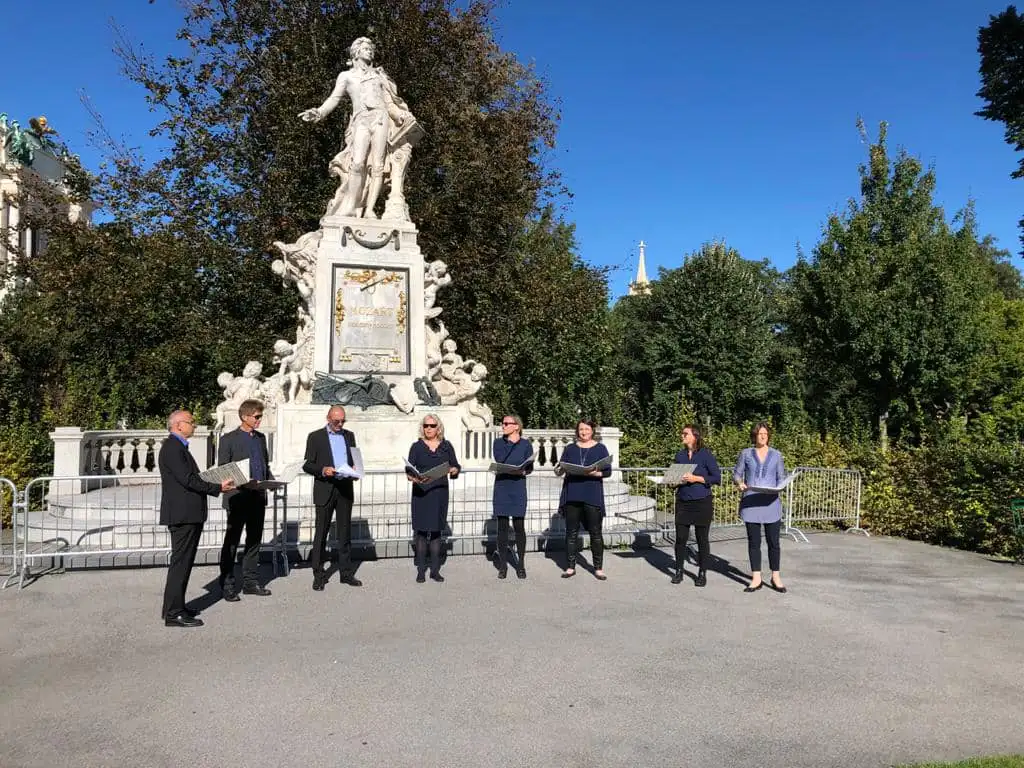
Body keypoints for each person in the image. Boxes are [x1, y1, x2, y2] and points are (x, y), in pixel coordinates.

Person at [298, 37, 413, 219]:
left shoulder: (379, 76)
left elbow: (389, 103)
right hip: (361, 120)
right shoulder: (346, 76)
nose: (370, 51)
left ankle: (369, 209)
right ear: (356, 52)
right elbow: (334, 98)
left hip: (380, 118)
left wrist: (400, 115)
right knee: (357, 163)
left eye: (371, 49)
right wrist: (319, 112)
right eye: (366, 48)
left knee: (378, 165)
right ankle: (350, 206)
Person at [159, 410, 233, 628]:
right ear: (179, 425)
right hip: (183, 515)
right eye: (191, 422)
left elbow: (190, 478)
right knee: (181, 564)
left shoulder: (177, 447)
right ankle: (174, 613)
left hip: (187, 513)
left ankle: (175, 607)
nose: (194, 425)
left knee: (183, 563)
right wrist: (217, 487)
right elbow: (188, 480)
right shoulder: (173, 448)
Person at [216, 399, 273, 602]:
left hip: (257, 497)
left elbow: (264, 465)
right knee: (232, 542)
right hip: (237, 497)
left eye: (260, 416)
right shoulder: (228, 439)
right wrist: (242, 481)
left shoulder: (260, 438)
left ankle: (250, 582)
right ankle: (228, 584)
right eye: (257, 416)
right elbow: (223, 468)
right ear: (244, 417)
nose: (259, 420)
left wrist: (273, 481)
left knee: (254, 541)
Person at [303, 404, 362, 591]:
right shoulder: (315, 437)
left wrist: (355, 470)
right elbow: (307, 464)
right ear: (328, 418)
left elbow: (355, 460)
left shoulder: (349, 435)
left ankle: (346, 573)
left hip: (344, 487)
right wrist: (323, 470)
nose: (340, 424)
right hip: (325, 488)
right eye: (337, 421)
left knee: (345, 533)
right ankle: (318, 575)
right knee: (321, 532)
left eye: (343, 420)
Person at [406, 413, 461, 583]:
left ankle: (435, 571)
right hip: (421, 493)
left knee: (436, 532)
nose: (428, 429)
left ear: (439, 428)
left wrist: (454, 470)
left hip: (439, 493)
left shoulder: (446, 446)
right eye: (426, 426)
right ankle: (421, 570)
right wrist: (413, 477)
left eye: (432, 426)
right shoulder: (416, 446)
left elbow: (456, 465)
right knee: (421, 533)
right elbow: (409, 469)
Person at [734, 422, 788, 593]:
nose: (762, 436)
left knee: (774, 542)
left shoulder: (777, 455)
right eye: (759, 433)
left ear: (768, 435)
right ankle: (756, 577)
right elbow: (737, 474)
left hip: (771, 504)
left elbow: (781, 477)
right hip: (751, 503)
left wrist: (781, 486)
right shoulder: (746, 453)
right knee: (754, 542)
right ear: (754, 436)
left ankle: (775, 576)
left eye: (765, 433)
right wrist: (740, 483)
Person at [556, 419, 612, 580]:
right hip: (573, 493)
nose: (584, 432)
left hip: (591, 494)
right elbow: (561, 468)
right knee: (571, 533)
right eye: (581, 429)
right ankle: (570, 567)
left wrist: (596, 473)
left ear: (592, 430)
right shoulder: (570, 448)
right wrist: (560, 470)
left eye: (587, 429)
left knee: (595, 533)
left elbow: (607, 472)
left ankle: (598, 568)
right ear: (577, 431)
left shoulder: (600, 448)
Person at [670, 424, 722, 586]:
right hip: (683, 502)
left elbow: (716, 477)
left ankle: (702, 572)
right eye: (682, 433)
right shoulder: (680, 455)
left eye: (685, 433)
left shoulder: (705, 455)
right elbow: (675, 479)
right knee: (680, 539)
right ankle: (678, 571)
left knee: (702, 539)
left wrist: (697, 478)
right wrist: (671, 481)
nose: (682, 436)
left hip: (702, 502)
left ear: (695, 436)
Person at [491, 414, 534, 579]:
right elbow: (500, 459)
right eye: (502, 423)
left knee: (519, 526)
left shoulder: (525, 444)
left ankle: (521, 564)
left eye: (507, 423)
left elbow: (530, 466)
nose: (503, 426)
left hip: (518, 487)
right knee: (502, 527)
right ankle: (503, 566)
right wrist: (510, 442)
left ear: (517, 426)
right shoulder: (498, 443)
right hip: (502, 486)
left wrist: (525, 470)